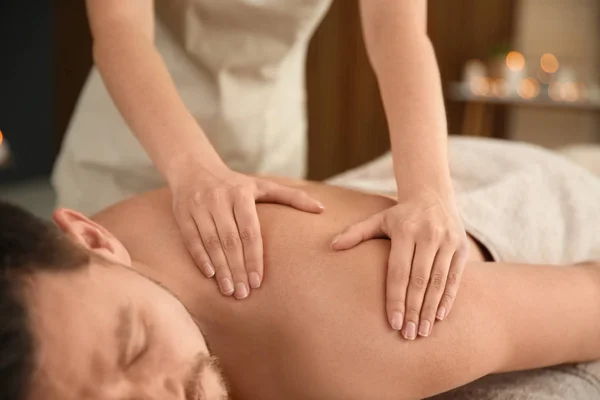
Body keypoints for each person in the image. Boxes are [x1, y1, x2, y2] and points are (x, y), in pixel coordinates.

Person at [4, 139, 600, 399]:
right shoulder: (74, 297)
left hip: (544, 222)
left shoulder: (367, 332)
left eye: (134, 348)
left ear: (92, 238)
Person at [52, 0, 468, 338]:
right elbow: (120, 27)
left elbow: (395, 31)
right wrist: (192, 168)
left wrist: (428, 193)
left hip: (265, 132)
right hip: (138, 132)